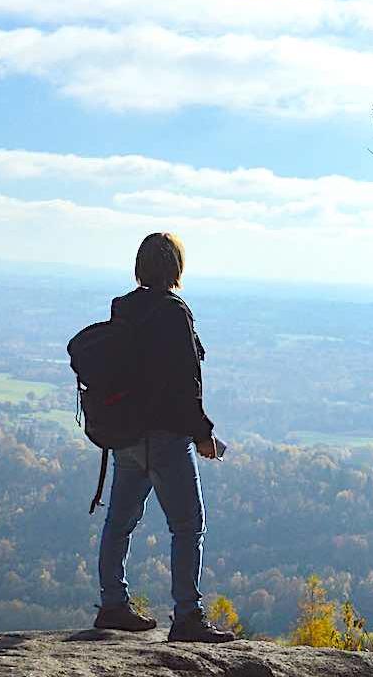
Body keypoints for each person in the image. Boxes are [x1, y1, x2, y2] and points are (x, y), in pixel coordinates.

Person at [91, 232, 237, 643]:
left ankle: (112, 605)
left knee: (119, 523)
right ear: (175, 266)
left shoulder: (124, 309)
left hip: (126, 437)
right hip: (166, 438)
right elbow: (185, 384)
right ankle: (188, 617)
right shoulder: (174, 312)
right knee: (188, 525)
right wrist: (203, 434)